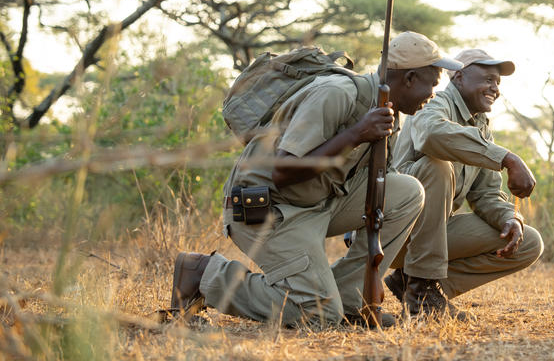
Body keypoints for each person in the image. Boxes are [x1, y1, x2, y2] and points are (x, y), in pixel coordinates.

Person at [169, 31, 463, 329]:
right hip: (265, 207)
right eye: (433, 83)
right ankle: (204, 275)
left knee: (408, 192)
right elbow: (283, 172)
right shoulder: (336, 93)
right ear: (410, 78)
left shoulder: (388, 110)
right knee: (318, 315)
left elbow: (372, 179)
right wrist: (357, 134)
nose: (433, 94)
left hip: (316, 202)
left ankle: (350, 301)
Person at [386, 49, 544, 320]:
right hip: (391, 231)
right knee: (436, 165)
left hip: (429, 237)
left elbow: (486, 193)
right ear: (459, 77)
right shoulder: (434, 102)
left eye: (497, 83)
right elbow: (432, 134)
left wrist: (510, 218)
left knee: (528, 241)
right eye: (488, 79)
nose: (495, 88)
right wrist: (506, 158)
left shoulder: (481, 125)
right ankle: (421, 290)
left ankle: (419, 287)